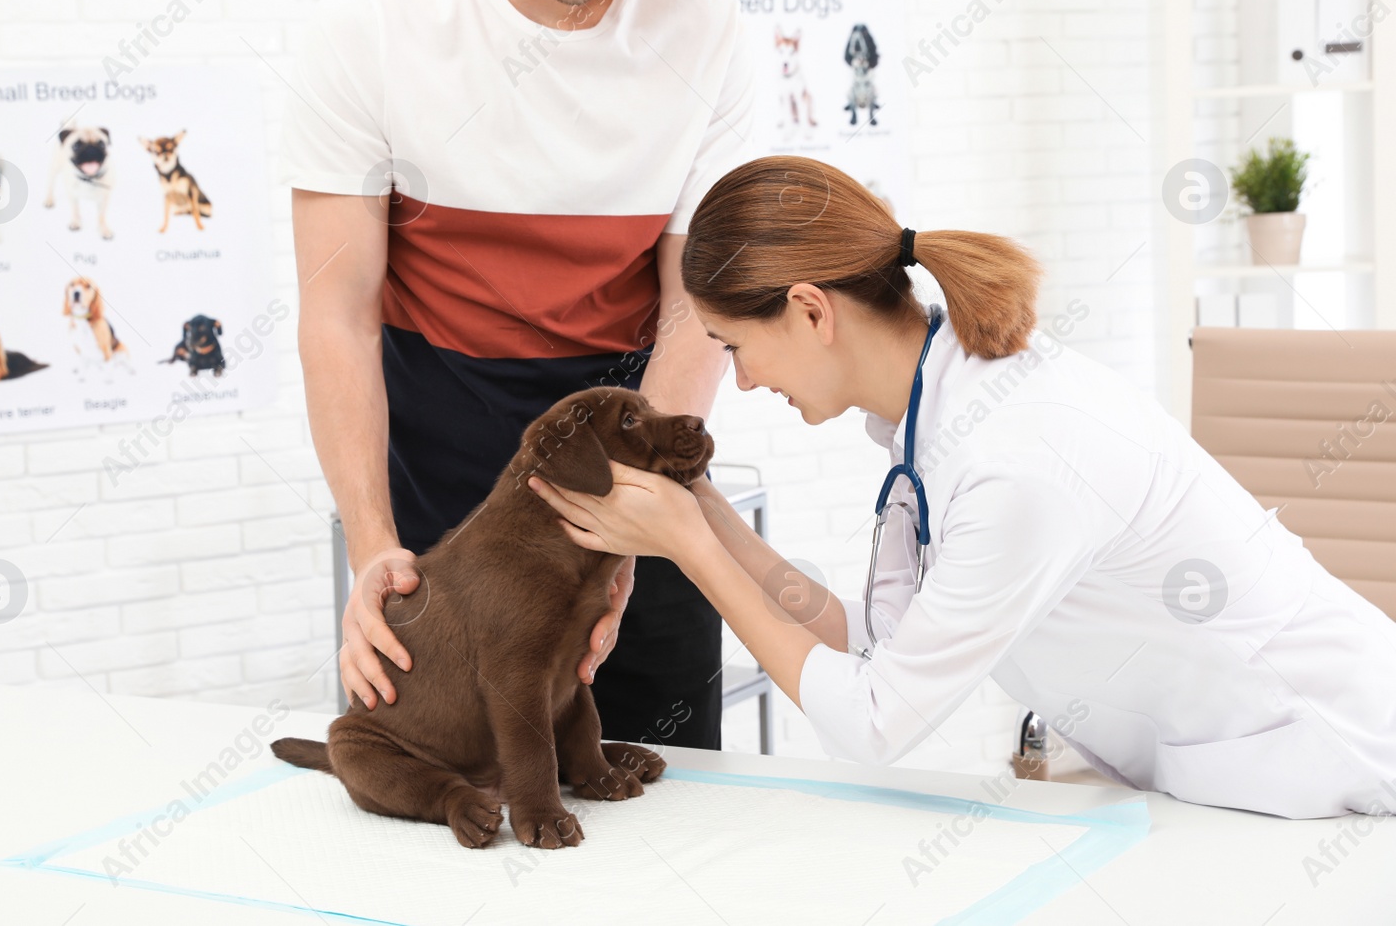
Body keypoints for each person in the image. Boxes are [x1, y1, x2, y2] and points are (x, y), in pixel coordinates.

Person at [528, 154, 1396, 819]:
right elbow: (870, 640)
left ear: (810, 310)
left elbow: (873, 722)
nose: (745, 381)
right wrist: (707, 511)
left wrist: (687, 545)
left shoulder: (1017, 451)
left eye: (733, 346)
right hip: (1225, 768)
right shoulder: (936, 417)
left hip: (1340, 762)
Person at [282, 0, 752, 750]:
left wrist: (628, 528)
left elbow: (694, 309)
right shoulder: (372, 28)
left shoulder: (703, 30)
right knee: (448, 798)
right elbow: (337, 315)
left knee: (668, 799)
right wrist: (373, 543)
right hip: (444, 485)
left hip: (634, 463)